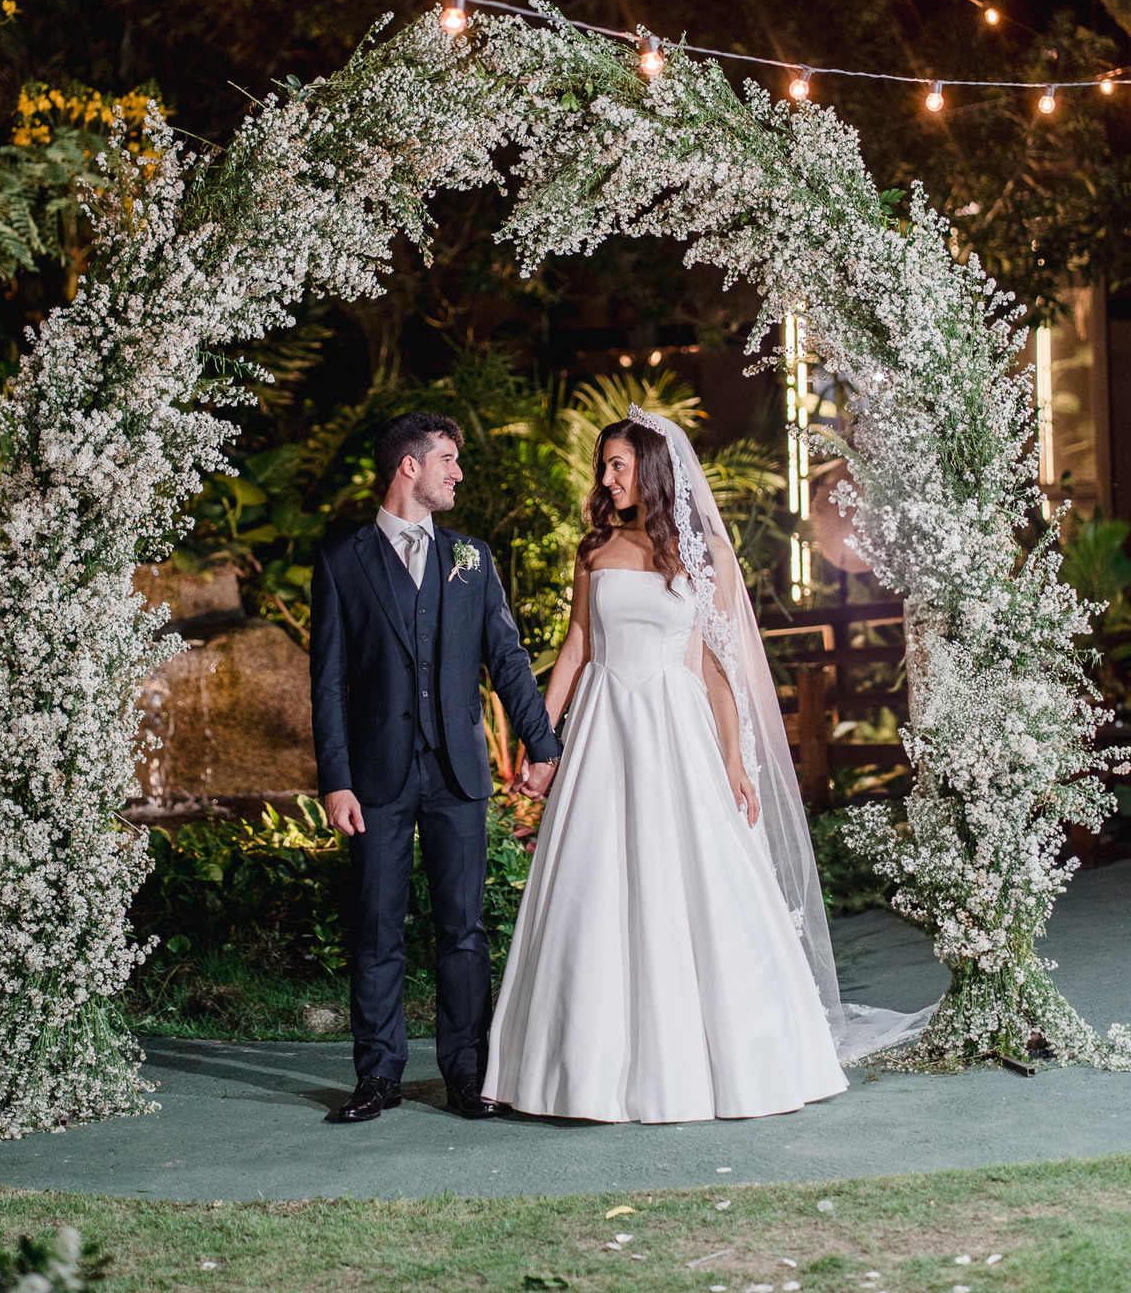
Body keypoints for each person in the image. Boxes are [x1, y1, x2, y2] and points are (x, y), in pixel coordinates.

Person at [483, 408, 928, 1124]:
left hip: (674, 728)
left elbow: (720, 668)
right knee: (591, 883)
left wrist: (733, 757)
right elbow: (574, 648)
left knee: (689, 877)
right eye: (604, 466)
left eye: (618, 465)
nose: (606, 478)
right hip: (601, 728)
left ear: (653, 470)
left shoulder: (705, 555)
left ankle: (714, 1057)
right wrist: (544, 742)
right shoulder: (592, 549)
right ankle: (578, 1071)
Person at [310, 411, 561, 1123]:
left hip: (458, 775)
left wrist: (544, 745)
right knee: (377, 931)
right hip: (376, 779)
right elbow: (326, 683)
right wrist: (336, 778)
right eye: (448, 458)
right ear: (409, 467)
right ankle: (378, 1077)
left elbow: (508, 660)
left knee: (463, 931)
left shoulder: (471, 559)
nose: (458, 472)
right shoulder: (340, 561)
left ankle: (467, 1074)